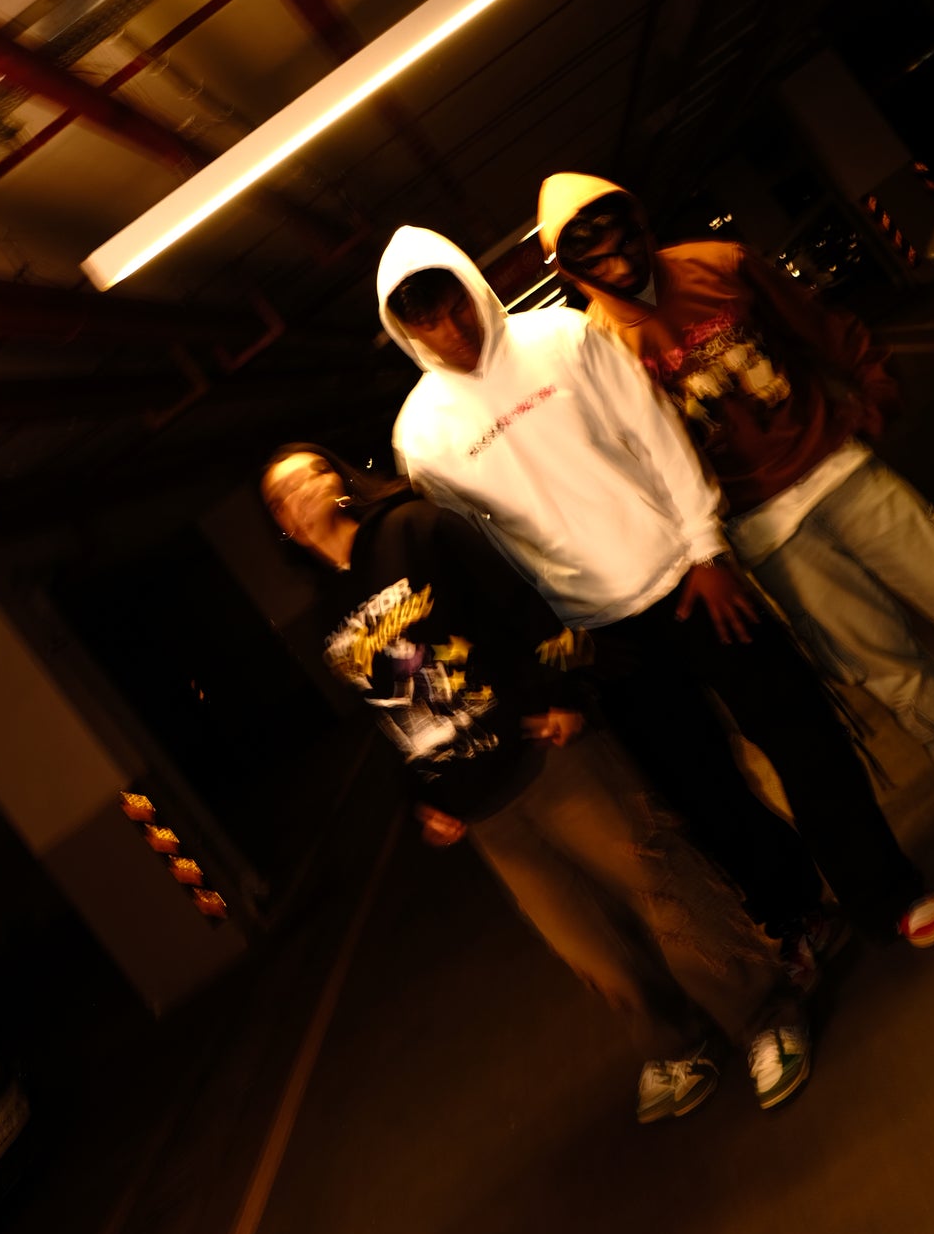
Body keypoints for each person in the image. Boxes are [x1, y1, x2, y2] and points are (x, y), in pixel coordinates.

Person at [376, 226, 934, 955]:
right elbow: (485, 561)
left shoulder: (561, 338)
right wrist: (556, 658)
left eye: (456, 303)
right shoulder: (422, 435)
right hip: (598, 638)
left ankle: (886, 892)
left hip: (690, 579)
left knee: (803, 735)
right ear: (404, 330)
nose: (453, 328)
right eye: (427, 319)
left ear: (472, 286)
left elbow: (656, 434)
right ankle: (797, 911)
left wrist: (707, 551)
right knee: (701, 788)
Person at [536, 172, 934, 840]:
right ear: (572, 270)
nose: (620, 266)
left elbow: (818, 327)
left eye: (624, 243)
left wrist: (874, 386)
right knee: (889, 669)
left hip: (838, 467)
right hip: (760, 530)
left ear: (640, 224)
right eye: (596, 260)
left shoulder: (719, 265)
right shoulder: (595, 348)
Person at [259, 444, 812, 1121]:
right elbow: (384, 713)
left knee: (657, 880)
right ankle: (678, 1042)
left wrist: (562, 693)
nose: (302, 493)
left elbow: (520, 607)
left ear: (339, 481)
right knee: (584, 939)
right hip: (480, 806)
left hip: (543, 751)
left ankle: (765, 1015)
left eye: (312, 474)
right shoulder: (327, 614)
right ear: (282, 525)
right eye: (282, 496)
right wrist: (423, 798)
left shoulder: (416, 530)